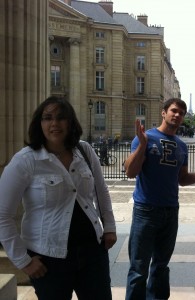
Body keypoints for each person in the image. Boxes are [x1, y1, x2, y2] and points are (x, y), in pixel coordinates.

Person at [0, 96, 117, 300]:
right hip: (49, 260)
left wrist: (109, 227)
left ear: (71, 122)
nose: (55, 123)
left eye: (61, 118)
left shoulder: (84, 151)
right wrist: (23, 261)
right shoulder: (26, 160)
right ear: (40, 123)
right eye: (48, 118)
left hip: (92, 252)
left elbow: (101, 190)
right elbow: (2, 214)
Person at [124, 98, 195, 300]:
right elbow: (131, 172)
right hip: (145, 210)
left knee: (161, 266)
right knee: (138, 269)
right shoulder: (144, 138)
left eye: (181, 113)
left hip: (171, 211)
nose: (178, 115)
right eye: (174, 110)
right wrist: (142, 146)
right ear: (164, 112)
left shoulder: (182, 146)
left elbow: (182, 179)